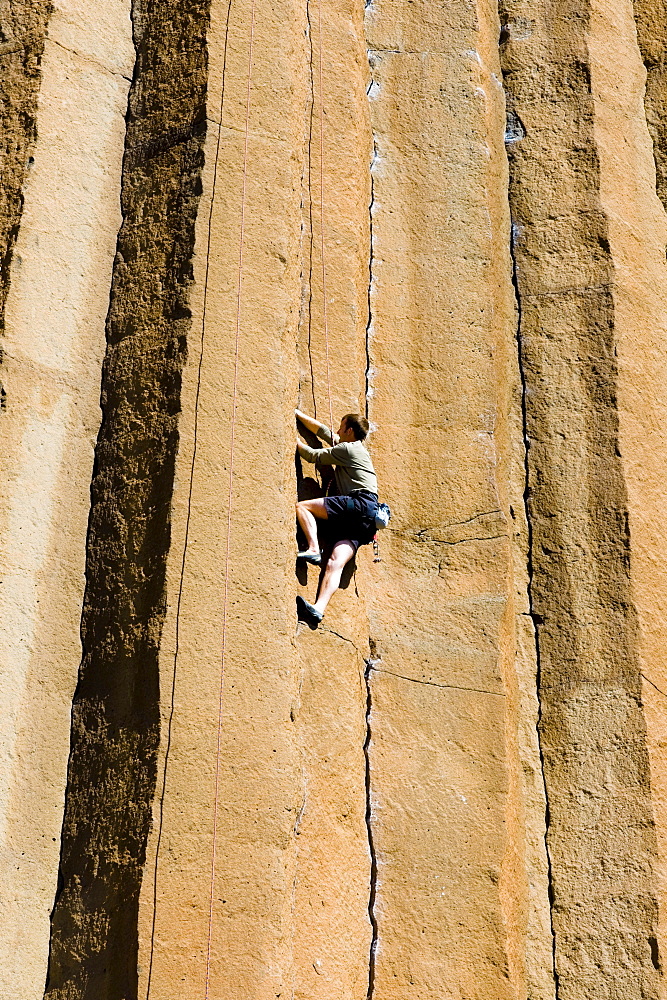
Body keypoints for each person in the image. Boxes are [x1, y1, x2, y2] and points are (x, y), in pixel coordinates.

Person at [295, 408, 379, 628]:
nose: (338, 431)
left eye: (341, 427)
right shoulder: (354, 448)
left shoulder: (348, 449)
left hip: (358, 503)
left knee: (303, 507)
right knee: (334, 563)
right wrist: (296, 414)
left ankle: (313, 549)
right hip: (367, 520)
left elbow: (312, 456)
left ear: (349, 431)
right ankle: (317, 610)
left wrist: (289, 435)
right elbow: (323, 431)